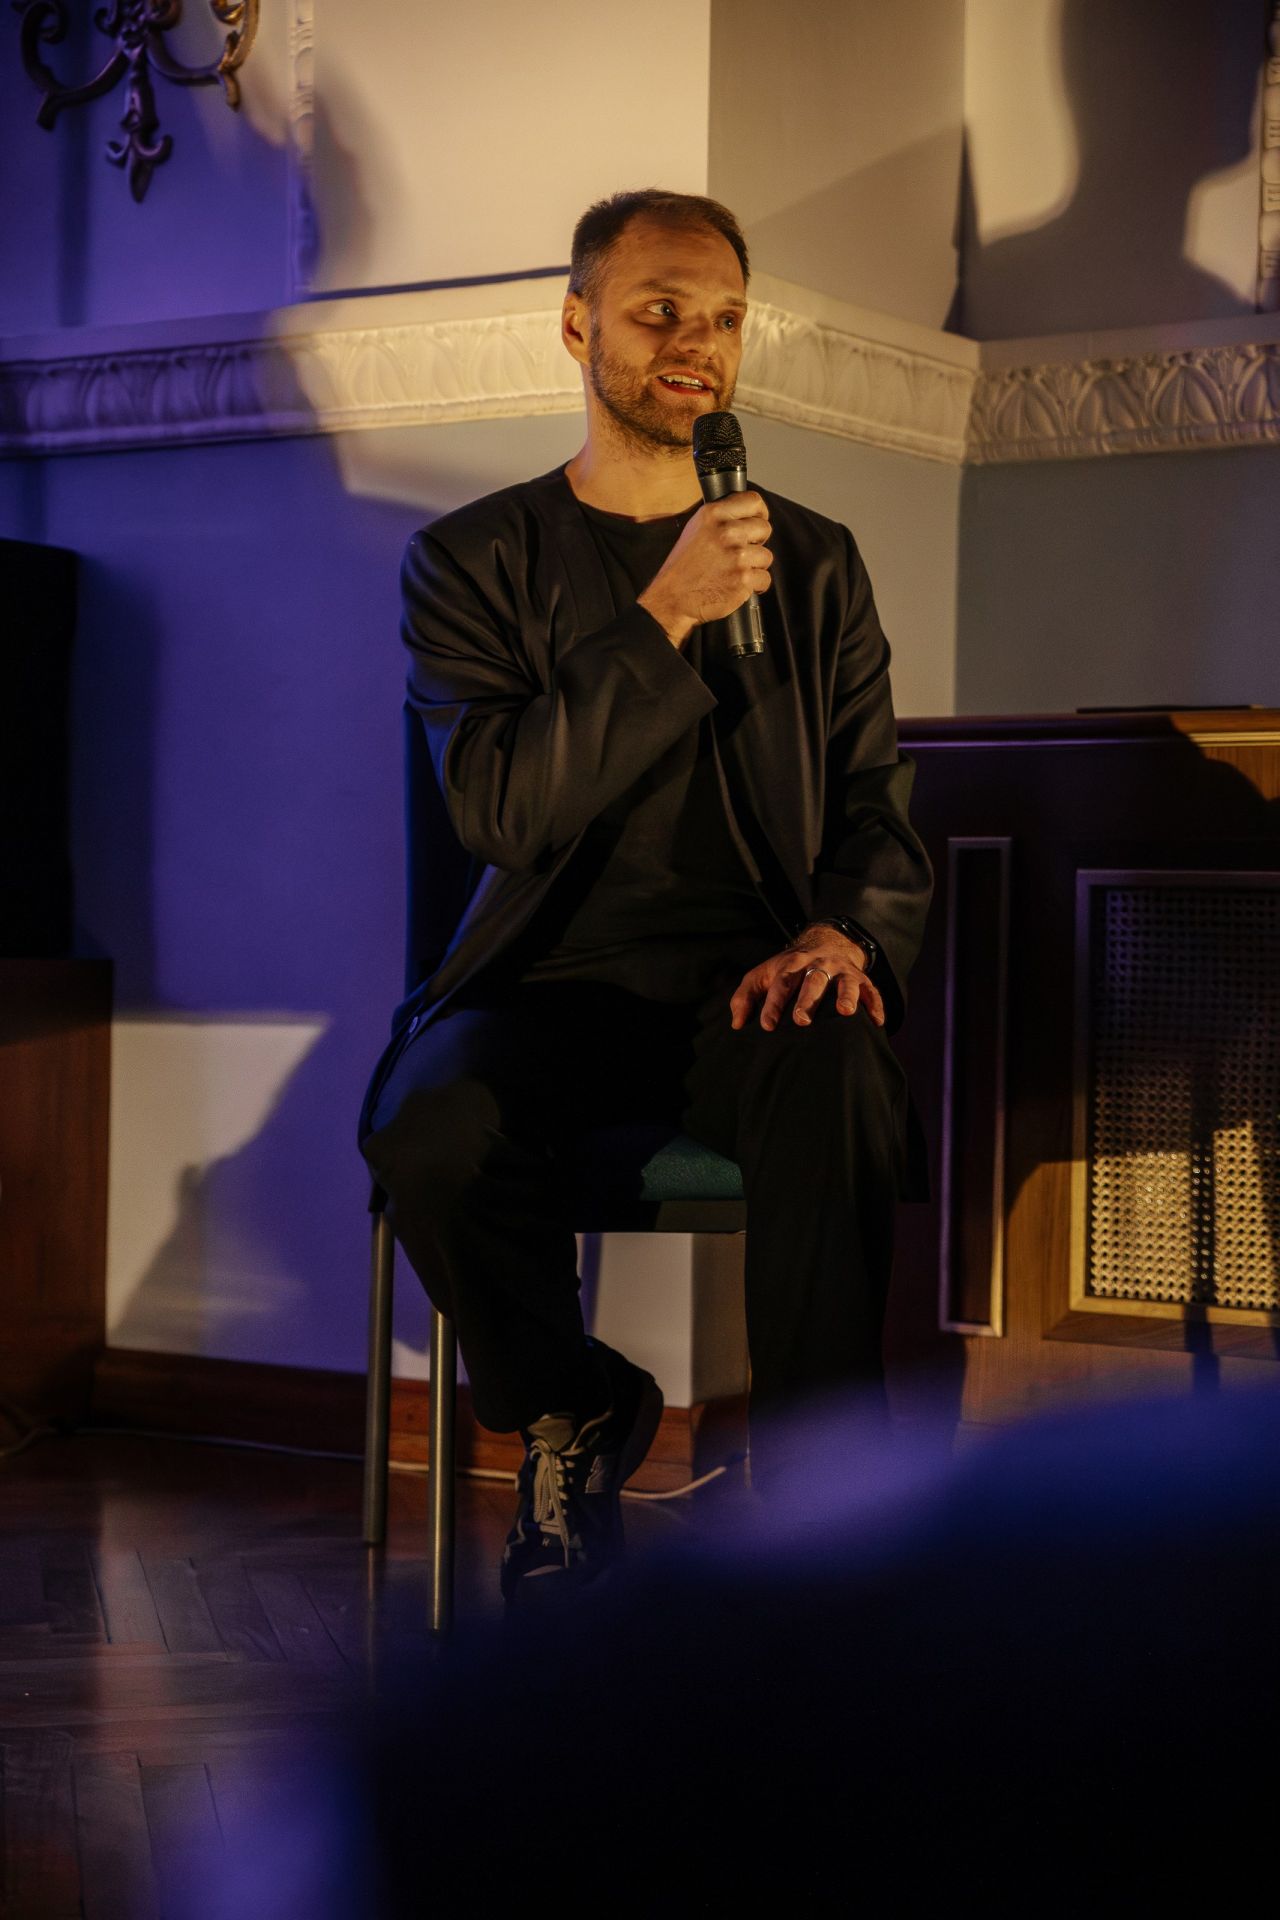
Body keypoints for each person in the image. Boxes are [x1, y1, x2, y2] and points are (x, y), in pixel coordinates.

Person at [358, 188, 932, 1601]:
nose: (698, 343)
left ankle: (824, 1505)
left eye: (724, 317)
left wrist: (844, 931)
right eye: (660, 310)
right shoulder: (473, 560)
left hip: (747, 987)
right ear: (579, 326)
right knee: (428, 1127)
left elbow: (876, 802)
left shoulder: (815, 561)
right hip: (539, 988)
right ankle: (575, 1409)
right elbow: (501, 811)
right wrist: (664, 613)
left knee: (843, 1057)